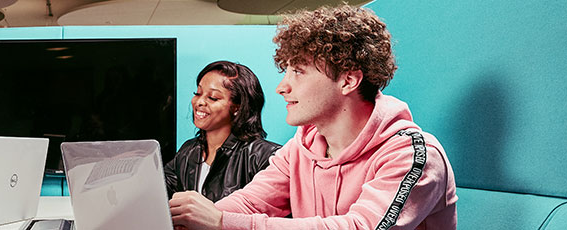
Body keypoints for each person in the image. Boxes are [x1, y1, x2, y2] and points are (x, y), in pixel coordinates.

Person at [169, 5, 457, 230]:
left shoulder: (412, 154)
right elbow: (251, 201)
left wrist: (220, 223)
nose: (282, 87)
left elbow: (360, 227)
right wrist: (191, 219)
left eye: (299, 71)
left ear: (348, 80)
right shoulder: (301, 147)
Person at [164, 61, 282, 202]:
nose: (199, 102)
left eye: (213, 98)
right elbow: (159, 192)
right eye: (198, 93)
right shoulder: (188, 151)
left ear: (237, 107)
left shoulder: (264, 157)